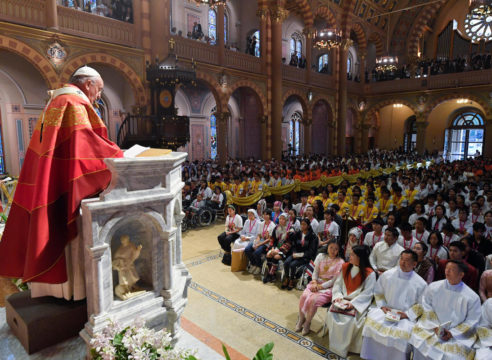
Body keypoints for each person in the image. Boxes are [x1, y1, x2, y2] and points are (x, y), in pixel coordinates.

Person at [0, 66, 122, 301]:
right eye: (99, 90)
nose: (98, 96)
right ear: (88, 84)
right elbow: (87, 148)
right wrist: (118, 155)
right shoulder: (74, 103)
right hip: (66, 183)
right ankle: (71, 294)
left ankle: (54, 292)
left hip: (53, 178)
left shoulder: (57, 100)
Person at [361, 250, 427, 360]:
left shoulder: (421, 283)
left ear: (414, 264)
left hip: (405, 317)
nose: (402, 263)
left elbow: (421, 305)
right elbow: (378, 292)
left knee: (401, 335)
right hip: (386, 311)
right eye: (401, 259)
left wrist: (406, 315)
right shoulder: (388, 275)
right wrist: (382, 306)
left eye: (407, 260)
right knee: (371, 326)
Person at [409, 260, 481, 360]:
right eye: (447, 268)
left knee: (452, 355)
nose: (447, 272)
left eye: (452, 270)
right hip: (431, 327)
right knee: (420, 342)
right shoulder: (434, 287)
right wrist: (434, 326)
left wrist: (452, 333)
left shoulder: (472, 297)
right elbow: (426, 305)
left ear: (461, 274)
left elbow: (473, 320)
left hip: (456, 336)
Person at [323, 245, 376, 358]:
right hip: (341, 301)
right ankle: (335, 345)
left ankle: (349, 347)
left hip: (357, 304)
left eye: (352, 255)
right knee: (332, 314)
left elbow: (367, 294)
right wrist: (338, 297)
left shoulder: (370, 273)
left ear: (360, 257)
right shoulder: (345, 267)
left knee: (351, 322)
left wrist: (352, 303)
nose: (349, 256)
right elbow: (337, 285)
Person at [296, 240, 344, 336]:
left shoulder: (340, 262)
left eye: (336, 249)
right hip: (315, 283)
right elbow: (315, 271)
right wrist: (314, 282)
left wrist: (320, 287)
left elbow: (333, 281)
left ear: (339, 251)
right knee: (304, 296)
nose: (333, 251)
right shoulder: (320, 256)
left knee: (312, 300)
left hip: (328, 288)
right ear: (327, 247)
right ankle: (301, 319)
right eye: (331, 247)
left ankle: (307, 323)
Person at [281, 218, 318, 290]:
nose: (302, 226)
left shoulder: (313, 236)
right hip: (296, 253)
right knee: (286, 262)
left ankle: (292, 280)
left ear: (308, 226)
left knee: (292, 264)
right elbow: (294, 245)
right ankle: (287, 278)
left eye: (304, 224)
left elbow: (311, 251)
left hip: (305, 257)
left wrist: (300, 255)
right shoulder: (298, 233)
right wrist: (294, 252)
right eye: (301, 224)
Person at [263, 213, 292, 283]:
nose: (281, 221)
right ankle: (272, 274)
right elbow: (273, 239)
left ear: (287, 220)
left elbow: (289, 243)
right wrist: (272, 248)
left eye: (283, 219)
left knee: (276, 256)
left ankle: (270, 274)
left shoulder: (290, 230)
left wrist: (278, 250)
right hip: (277, 247)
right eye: (280, 219)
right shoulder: (276, 228)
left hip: (286, 250)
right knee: (268, 254)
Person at [245, 209, 275, 275]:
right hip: (260, 241)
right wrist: (256, 242)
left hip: (266, 244)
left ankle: (259, 266)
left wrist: (258, 245)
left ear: (270, 216)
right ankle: (253, 264)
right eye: (264, 214)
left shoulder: (272, 225)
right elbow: (259, 235)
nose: (265, 216)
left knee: (256, 252)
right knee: (247, 249)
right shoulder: (262, 223)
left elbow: (269, 239)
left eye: (267, 214)